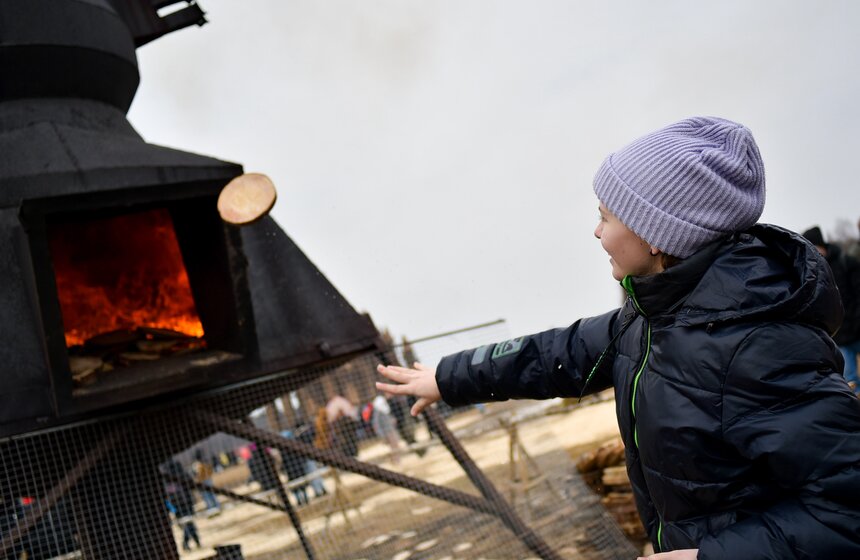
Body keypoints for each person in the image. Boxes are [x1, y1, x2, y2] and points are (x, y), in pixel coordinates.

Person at [376, 117, 860, 559]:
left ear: (655, 234)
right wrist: (448, 377)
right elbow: (554, 354)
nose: (596, 231)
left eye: (606, 216)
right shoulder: (647, 319)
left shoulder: (760, 348)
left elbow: (846, 509)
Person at [803, 225, 860, 392]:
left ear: (821, 245)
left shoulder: (846, 262)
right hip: (840, 337)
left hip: (858, 328)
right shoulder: (812, 272)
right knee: (851, 380)